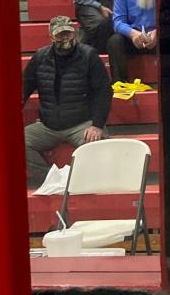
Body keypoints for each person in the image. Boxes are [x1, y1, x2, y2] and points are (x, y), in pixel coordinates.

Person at [22, 16, 111, 187]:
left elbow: (104, 91)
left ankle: (81, 184)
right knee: (15, 142)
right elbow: (23, 90)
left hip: (82, 124)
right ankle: (51, 180)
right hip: (48, 126)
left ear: (74, 33)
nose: (65, 38)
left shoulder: (89, 55)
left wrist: (97, 125)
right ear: (51, 37)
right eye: (60, 34)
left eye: (68, 34)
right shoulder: (39, 58)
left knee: (101, 147)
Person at [107, 0, 157, 84]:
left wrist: (158, 33)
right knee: (114, 41)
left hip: (157, 38)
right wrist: (133, 34)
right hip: (133, 38)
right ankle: (120, 84)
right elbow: (118, 22)